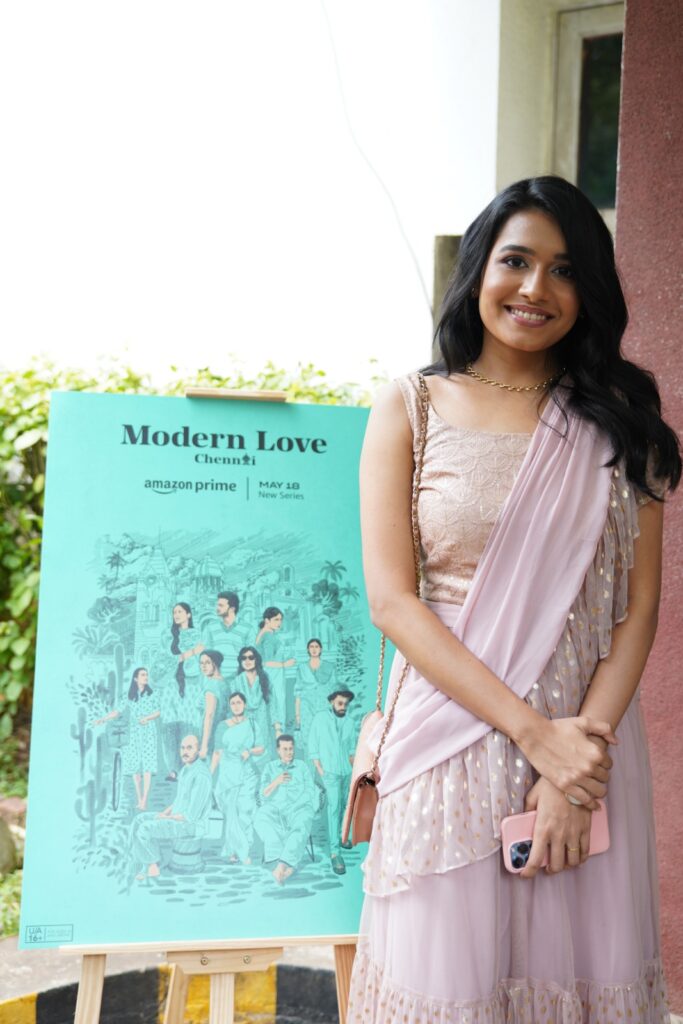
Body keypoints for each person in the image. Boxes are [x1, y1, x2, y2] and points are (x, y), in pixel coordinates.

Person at [346, 176, 681, 1022]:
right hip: (447, 745)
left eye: (563, 270)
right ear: (478, 270)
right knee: (447, 987)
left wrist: (573, 774)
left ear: (589, 290)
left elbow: (636, 609)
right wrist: (538, 740)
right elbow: (393, 603)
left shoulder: (619, 418)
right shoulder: (411, 407)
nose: (535, 288)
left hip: (583, 746)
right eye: (516, 261)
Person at [129, 734, 212, 878]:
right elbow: (179, 801)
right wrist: (164, 813)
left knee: (145, 828)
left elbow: (191, 815)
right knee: (139, 820)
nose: (185, 752)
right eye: (182, 748)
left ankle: (152, 865)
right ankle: (140, 863)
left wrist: (167, 818)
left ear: (198, 750)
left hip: (192, 825)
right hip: (177, 818)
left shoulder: (201, 775)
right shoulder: (186, 770)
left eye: (189, 748)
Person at [93, 667, 160, 811]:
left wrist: (147, 718)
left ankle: (144, 800)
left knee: (147, 765)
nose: (146, 677)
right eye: (143, 675)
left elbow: (158, 712)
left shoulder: (152, 694)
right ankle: (139, 797)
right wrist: (103, 719)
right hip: (134, 732)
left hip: (148, 731)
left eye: (146, 675)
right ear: (135, 678)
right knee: (134, 765)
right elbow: (117, 711)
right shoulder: (129, 695)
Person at [211, 691, 266, 864]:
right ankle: (236, 850)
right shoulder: (222, 726)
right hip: (228, 773)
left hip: (247, 772)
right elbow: (217, 752)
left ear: (245, 705)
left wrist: (249, 751)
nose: (236, 706)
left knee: (245, 810)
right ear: (229, 706)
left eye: (239, 702)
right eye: (233, 703)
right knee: (231, 812)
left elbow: (261, 748)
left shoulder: (252, 724)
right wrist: (209, 774)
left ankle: (243, 848)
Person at [254, 734, 317, 883]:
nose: (289, 752)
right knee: (260, 817)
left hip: (299, 808)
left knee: (301, 823)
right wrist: (276, 781)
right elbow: (263, 794)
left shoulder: (302, 766)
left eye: (291, 749)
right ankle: (286, 865)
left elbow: (310, 791)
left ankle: (281, 866)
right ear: (278, 750)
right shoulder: (270, 767)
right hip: (275, 809)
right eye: (285, 749)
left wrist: (296, 806)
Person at [307, 690, 356, 875]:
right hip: (329, 772)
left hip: (346, 771)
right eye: (340, 703)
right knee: (334, 808)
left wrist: (354, 771)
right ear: (332, 702)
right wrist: (321, 770)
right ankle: (335, 853)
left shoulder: (350, 723)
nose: (343, 707)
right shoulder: (320, 719)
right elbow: (313, 746)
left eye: (346, 704)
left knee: (344, 806)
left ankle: (342, 837)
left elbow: (351, 750)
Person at [162, 602, 204, 780]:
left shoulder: (197, 635)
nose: (176, 615)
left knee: (190, 724)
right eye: (174, 612)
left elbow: (202, 660)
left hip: (192, 683)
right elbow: (166, 660)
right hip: (171, 684)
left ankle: (190, 767)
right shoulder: (168, 636)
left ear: (188, 614)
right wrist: (190, 653)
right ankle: (173, 768)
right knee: (169, 726)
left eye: (180, 611)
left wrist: (190, 654)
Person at [255, 607, 295, 738]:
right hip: (272, 673)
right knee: (277, 701)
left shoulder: (264, 634)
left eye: (281, 620)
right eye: (276, 619)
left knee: (275, 701)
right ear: (267, 620)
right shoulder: (268, 636)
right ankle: (279, 733)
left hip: (273, 672)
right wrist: (285, 664)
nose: (279, 623)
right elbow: (266, 662)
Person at [294, 638, 337, 751]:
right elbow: (298, 692)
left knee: (324, 738)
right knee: (308, 738)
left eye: (316, 647)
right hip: (306, 707)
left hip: (324, 705)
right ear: (308, 649)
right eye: (311, 647)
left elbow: (334, 691)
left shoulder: (329, 667)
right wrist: (297, 716)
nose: (314, 649)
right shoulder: (302, 668)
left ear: (321, 649)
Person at [233, 646, 271, 747]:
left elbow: (273, 704)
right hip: (243, 724)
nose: (247, 661)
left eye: (251, 657)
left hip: (263, 722)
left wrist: (277, 729)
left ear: (256, 659)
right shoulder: (236, 682)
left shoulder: (265, 679)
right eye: (244, 658)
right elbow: (233, 708)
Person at [195, 650, 228, 760]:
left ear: (215, 663)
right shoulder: (224, 682)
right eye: (201, 663)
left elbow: (209, 715)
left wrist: (204, 746)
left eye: (207, 662)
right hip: (222, 733)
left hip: (211, 735)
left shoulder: (212, 685)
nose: (203, 666)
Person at [202, 591, 252, 664]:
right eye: (217, 605)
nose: (217, 608)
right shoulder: (210, 628)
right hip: (217, 670)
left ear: (232, 609)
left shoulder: (248, 629)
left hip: (239, 670)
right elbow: (206, 654)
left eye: (221, 605)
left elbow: (252, 656)